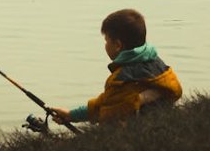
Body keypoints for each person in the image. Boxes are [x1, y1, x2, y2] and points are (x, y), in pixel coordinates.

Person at [51, 8, 182, 125]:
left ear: (118, 45)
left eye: (107, 41)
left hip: (136, 138)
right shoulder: (158, 65)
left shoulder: (122, 79)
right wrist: (71, 115)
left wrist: (73, 117)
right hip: (163, 127)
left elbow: (107, 112)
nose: (105, 45)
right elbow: (107, 101)